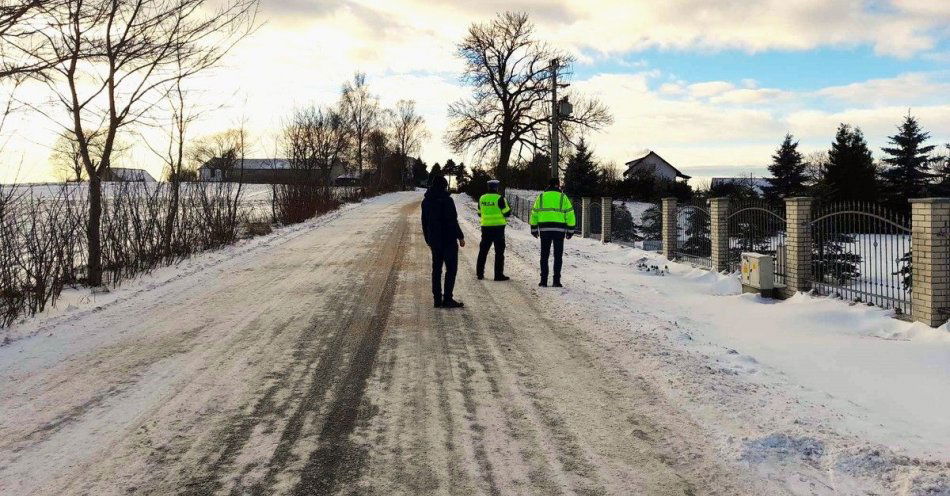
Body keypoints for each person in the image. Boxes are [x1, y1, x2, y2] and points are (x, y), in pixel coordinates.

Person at [421, 174, 465, 308]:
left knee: (436, 269)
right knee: (451, 269)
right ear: (444, 186)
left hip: (435, 240)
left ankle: (437, 299)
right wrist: (460, 236)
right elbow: (452, 221)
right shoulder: (447, 201)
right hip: (449, 239)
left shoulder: (426, 201)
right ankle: (447, 299)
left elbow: (424, 222)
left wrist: (428, 239)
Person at [529, 178, 576, 287]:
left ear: (548, 185)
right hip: (559, 231)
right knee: (558, 256)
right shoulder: (563, 197)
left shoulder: (541, 197)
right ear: (558, 185)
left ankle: (543, 280)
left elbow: (534, 213)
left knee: (544, 256)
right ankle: (556, 281)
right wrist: (570, 230)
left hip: (544, 230)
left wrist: (534, 229)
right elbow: (570, 214)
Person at [476, 179, 511, 281]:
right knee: (499, 252)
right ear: (496, 187)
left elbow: (479, 213)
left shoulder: (482, 198)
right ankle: (498, 275)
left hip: (486, 228)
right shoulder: (500, 198)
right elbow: (507, 213)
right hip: (498, 229)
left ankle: (479, 273)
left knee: (483, 251)